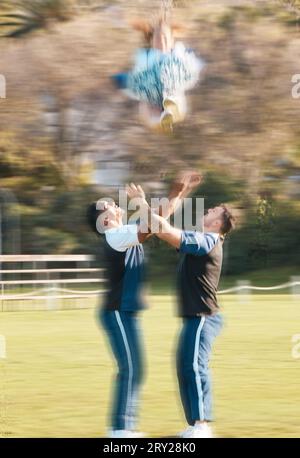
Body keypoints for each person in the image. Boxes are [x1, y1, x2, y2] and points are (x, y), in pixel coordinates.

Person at [86, 172, 201, 438]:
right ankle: (121, 429)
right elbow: (152, 224)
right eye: (109, 206)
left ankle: (124, 428)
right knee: (132, 369)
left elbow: (158, 220)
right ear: (103, 220)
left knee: (135, 368)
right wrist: (140, 201)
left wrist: (178, 194)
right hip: (117, 312)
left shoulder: (122, 233)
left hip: (125, 313)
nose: (115, 205)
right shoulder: (115, 236)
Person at [126, 182, 235, 438]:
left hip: (203, 317)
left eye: (214, 210)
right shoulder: (202, 239)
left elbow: (163, 229)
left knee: (195, 367)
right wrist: (177, 195)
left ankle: (202, 426)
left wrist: (141, 202)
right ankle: (193, 425)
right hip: (193, 318)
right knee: (184, 366)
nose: (208, 209)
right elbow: (161, 229)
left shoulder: (208, 239)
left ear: (218, 224)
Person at [112, 16, 205, 132]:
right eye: (157, 39)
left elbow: (192, 69)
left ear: (172, 40)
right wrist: (125, 82)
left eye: (165, 39)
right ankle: (160, 117)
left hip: (174, 92)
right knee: (146, 102)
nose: (161, 42)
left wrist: (193, 66)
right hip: (152, 95)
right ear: (151, 41)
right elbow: (137, 80)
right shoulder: (145, 57)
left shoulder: (179, 53)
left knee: (171, 90)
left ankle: (169, 109)